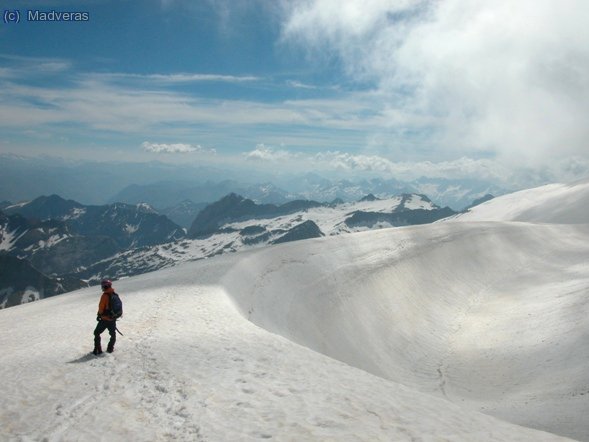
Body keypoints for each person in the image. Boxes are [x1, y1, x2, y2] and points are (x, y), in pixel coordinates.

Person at [93, 279, 118, 355]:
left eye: (103, 286)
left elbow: (101, 308)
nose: (102, 288)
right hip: (112, 319)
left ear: (105, 286)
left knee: (96, 333)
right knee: (113, 334)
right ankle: (110, 348)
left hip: (104, 319)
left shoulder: (105, 296)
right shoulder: (115, 294)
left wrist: (99, 315)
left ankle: (98, 350)